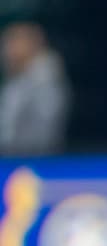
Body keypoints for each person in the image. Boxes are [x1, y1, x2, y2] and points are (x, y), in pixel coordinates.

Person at [0, 22, 70, 156]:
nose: (6, 50)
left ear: (33, 44)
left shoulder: (46, 79)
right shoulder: (16, 80)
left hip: (33, 161)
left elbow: (42, 135)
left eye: (13, 42)